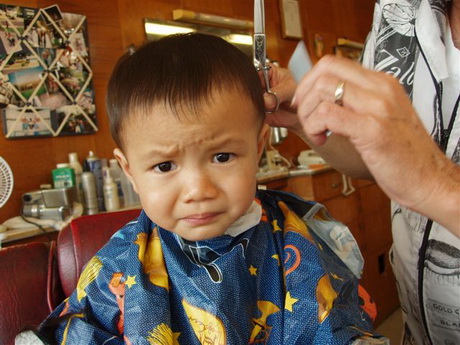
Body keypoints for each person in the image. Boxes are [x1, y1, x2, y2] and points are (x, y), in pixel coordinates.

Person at [33, 33, 388, 345]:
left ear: (259, 146)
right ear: (129, 170)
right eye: (165, 166)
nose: (198, 190)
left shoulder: (294, 238)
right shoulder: (123, 262)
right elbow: (80, 332)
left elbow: (335, 322)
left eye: (222, 156)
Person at [262, 1, 459, 344]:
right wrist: (304, 119)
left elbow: (420, 175)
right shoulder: (398, 11)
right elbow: (380, 162)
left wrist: (437, 184)